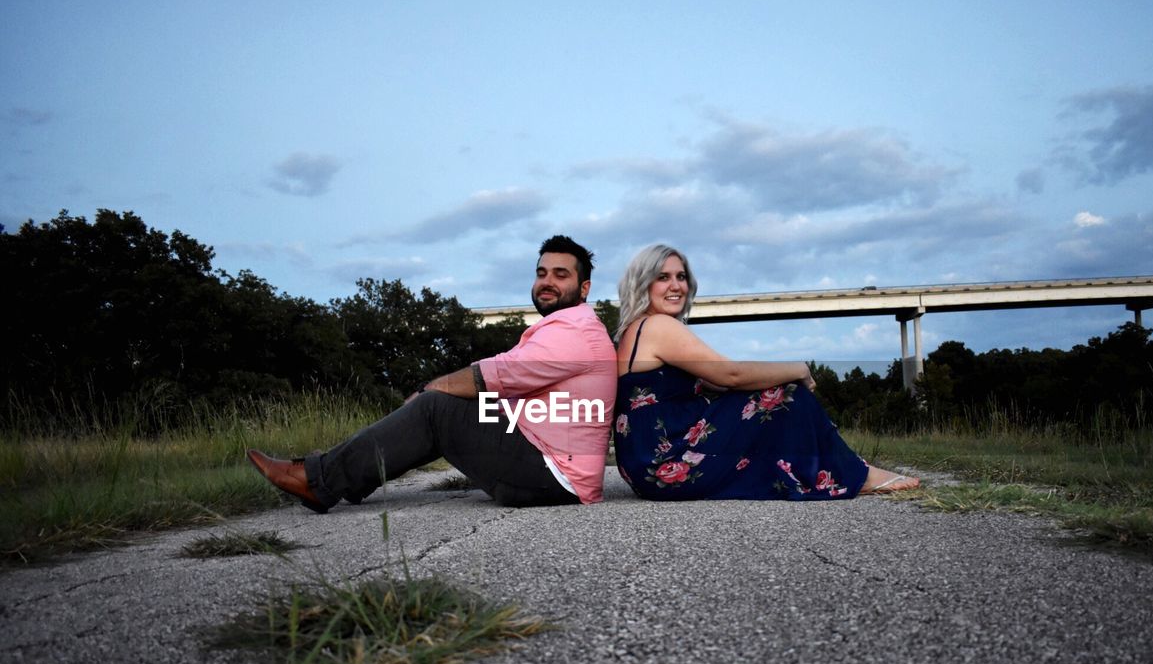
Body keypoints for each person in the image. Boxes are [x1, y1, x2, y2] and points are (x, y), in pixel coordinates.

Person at [247, 235, 616, 510]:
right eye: (541, 273)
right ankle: (347, 477)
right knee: (442, 408)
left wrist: (427, 393)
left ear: (583, 288)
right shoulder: (567, 328)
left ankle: (319, 479)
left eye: (560, 274)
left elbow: (492, 376)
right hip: (550, 462)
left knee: (437, 408)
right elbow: (502, 384)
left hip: (553, 476)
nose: (547, 281)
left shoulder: (574, 331)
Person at [612, 243, 919, 501]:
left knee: (767, 394)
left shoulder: (636, 329)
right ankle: (858, 475)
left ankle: (846, 469)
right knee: (785, 394)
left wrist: (757, 381)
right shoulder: (658, 326)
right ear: (643, 284)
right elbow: (729, 374)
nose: (676, 285)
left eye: (681, 276)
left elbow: (717, 384)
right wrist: (797, 369)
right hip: (667, 462)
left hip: (646, 467)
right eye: (663, 277)